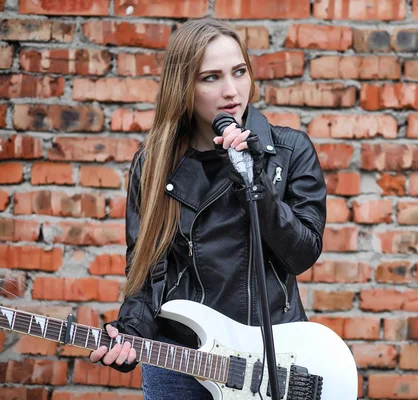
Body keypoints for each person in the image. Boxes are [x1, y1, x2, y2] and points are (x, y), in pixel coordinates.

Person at [88, 16, 327, 399]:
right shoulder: (153, 165)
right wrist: (131, 332)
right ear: (184, 87)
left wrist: (254, 179)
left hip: (271, 360)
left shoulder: (288, 151)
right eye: (211, 77)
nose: (232, 90)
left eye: (239, 72)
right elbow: (146, 271)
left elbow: (302, 254)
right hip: (181, 363)